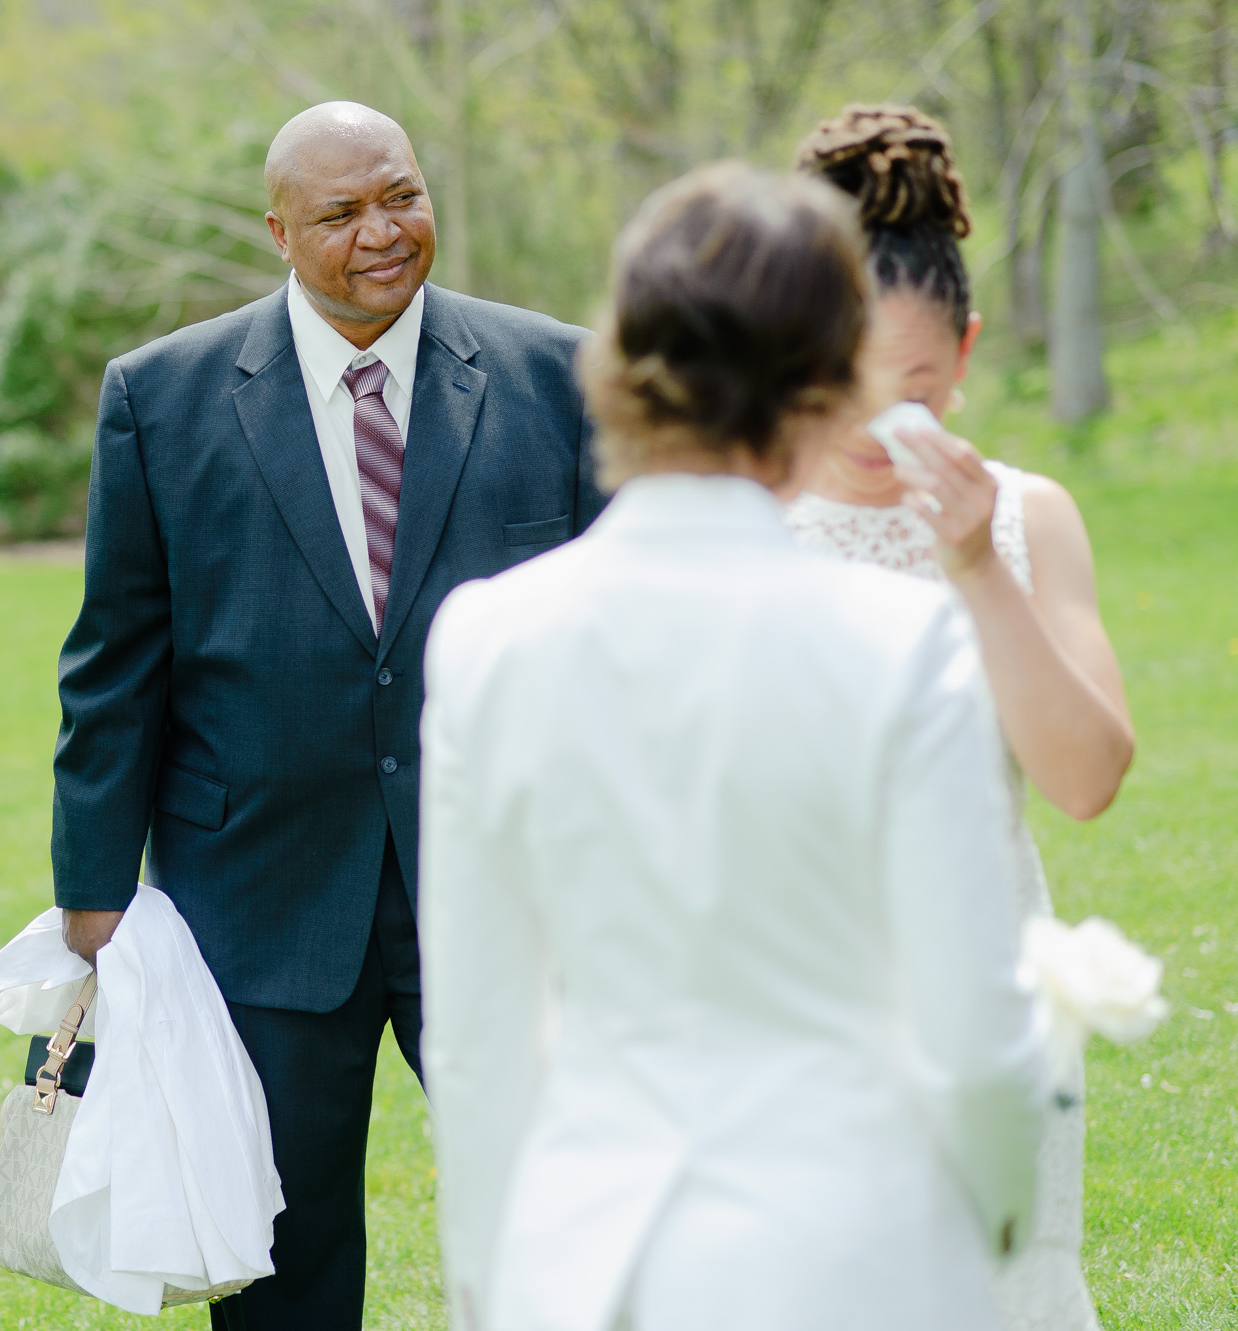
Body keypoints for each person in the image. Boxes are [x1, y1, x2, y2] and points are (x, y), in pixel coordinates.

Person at [419, 162, 1049, 1331]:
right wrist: (997, 1221)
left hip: (583, 1263)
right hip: (855, 1258)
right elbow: (972, 1040)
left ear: (619, 366)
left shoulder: (487, 639)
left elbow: (476, 1038)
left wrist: (488, 1285)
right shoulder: (900, 644)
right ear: (825, 381)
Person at [49, 101, 605, 1329]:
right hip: (259, 887)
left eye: (398, 195)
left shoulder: (560, 376)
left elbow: (616, 638)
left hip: (509, 887)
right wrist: (93, 892)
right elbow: (114, 659)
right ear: (278, 233)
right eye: (340, 213)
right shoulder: (162, 395)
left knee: (555, 1220)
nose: (380, 232)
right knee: (282, 1256)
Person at [789, 103, 1134, 1331]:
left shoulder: (1026, 516)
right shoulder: (724, 520)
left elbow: (1085, 777)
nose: (878, 431)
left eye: (916, 389)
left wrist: (975, 566)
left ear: (968, 352)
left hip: (982, 994)